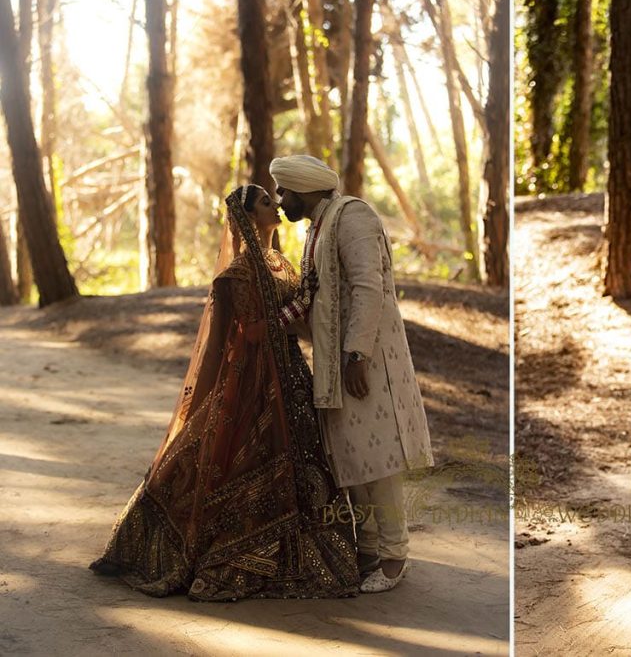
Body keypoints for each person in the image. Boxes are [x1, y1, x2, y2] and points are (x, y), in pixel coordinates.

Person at [91, 184, 360, 601]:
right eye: (267, 202)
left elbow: (292, 315)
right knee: (222, 456)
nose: (277, 205)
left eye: (274, 199)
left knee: (305, 458)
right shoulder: (236, 273)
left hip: (289, 371)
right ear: (250, 218)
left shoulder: (281, 264)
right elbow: (246, 334)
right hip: (253, 380)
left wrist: (303, 303)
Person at [269, 155, 434, 594]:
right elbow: (322, 297)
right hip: (338, 360)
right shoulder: (318, 228)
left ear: (304, 189)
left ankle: (396, 557)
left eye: (284, 191)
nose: (281, 200)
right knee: (353, 458)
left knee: (378, 463)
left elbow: (368, 286)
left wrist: (357, 354)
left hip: (367, 359)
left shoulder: (353, 215)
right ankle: (368, 550)